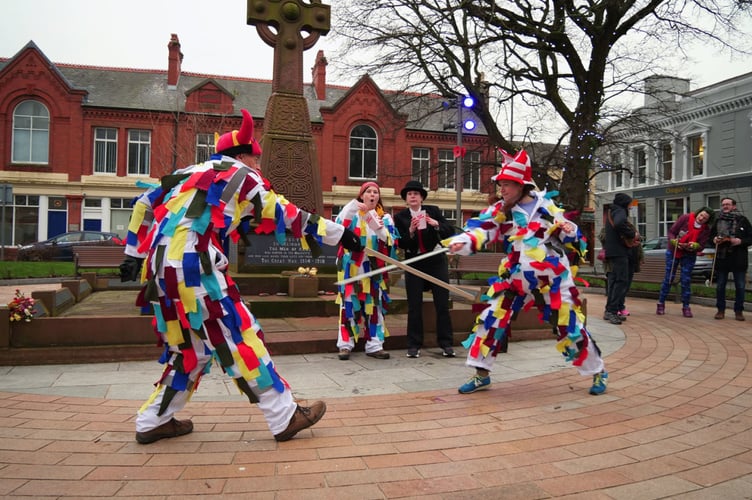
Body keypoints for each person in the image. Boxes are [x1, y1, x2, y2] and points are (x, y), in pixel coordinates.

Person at [120, 109, 363, 444]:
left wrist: (132, 256)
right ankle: (284, 415)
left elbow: (143, 205)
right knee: (240, 337)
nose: (260, 166)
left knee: (190, 352)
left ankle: (152, 421)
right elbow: (284, 213)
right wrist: (340, 234)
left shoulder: (187, 172)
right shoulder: (243, 176)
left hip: (159, 272)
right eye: (257, 159)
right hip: (196, 268)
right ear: (243, 155)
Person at [446, 150, 608, 396]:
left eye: (507, 185)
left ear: (522, 185)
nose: (503, 190)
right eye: (500, 185)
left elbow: (573, 236)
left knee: (571, 326)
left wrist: (568, 227)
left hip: (552, 279)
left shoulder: (547, 206)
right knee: (490, 320)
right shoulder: (501, 210)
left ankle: (597, 372)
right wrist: (462, 242)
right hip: (515, 279)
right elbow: (480, 231)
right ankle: (481, 374)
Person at [335, 181, 399, 360]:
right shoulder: (353, 213)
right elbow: (339, 224)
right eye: (368, 192)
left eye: (375, 192)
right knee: (347, 306)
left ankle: (375, 345)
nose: (372, 195)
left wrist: (377, 227)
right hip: (351, 269)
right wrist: (353, 206)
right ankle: (345, 344)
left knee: (373, 306)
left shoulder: (385, 217)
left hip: (373, 271)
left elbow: (391, 242)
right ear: (362, 195)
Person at [394, 180, 456, 358]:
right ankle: (413, 345)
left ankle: (446, 343)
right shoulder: (400, 217)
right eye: (409, 194)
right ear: (406, 199)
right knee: (414, 305)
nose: (413, 196)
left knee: (442, 303)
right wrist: (411, 231)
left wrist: (435, 223)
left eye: (416, 193)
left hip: (436, 260)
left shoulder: (433, 211)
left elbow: (449, 231)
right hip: (414, 262)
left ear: (421, 198)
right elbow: (401, 243)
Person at [656, 207, 714, 318]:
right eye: (701, 215)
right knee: (669, 277)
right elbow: (672, 232)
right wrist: (674, 241)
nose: (701, 218)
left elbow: (701, 246)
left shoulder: (706, 230)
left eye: (705, 218)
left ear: (708, 220)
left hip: (689, 254)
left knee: (686, 280)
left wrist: (695, 246)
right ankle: (661, 303)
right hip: (674, 251)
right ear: (698, 213)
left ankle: (686, 306)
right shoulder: (685, 218)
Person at [709, 197, 752, 321]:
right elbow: (710, 237)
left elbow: (751, 237)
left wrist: (740, 241)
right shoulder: (717, 220)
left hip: (738, 258)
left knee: (740, 286)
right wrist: (714, 240)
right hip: (722, 258)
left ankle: (739, 311)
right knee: (720, 286)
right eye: (723, 205)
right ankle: (720, 310)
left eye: (728, 204)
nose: (725, 206)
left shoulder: (742, 220)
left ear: (734, 206)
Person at [603, 193, 636, 325]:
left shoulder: (612, 210)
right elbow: (619, 223)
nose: (630, 206)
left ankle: (610, 310)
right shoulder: (620, 211)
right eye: (629, 204)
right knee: (621, 281)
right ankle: (612, 310)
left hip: (613, 251)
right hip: (619, 251)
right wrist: (631, 233)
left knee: (616, 281)